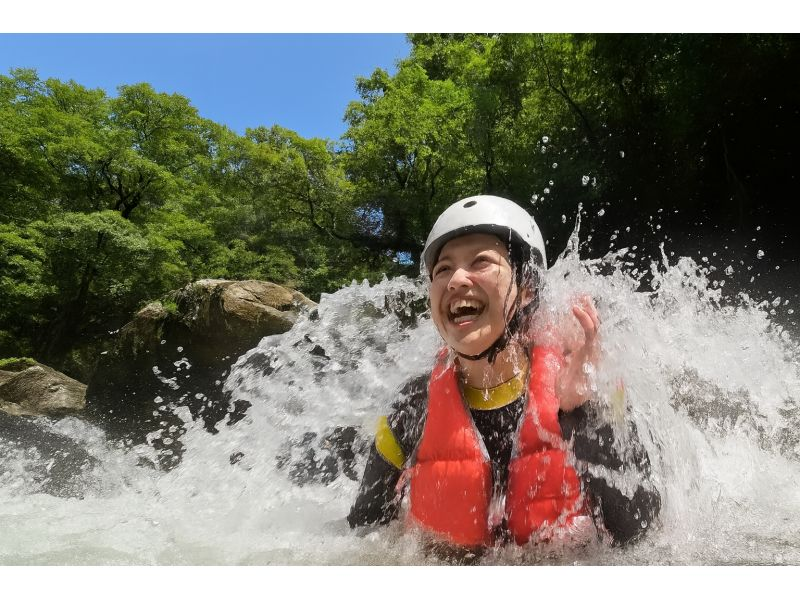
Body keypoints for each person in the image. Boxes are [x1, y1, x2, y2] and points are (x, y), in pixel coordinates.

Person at [347, 194, 660, 557]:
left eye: (480, 262)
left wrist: (584, 412)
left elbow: (640, 537)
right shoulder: (412, 406)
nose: (455, 280)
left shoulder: (584, 386)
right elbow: (363, 533)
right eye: (443, 269)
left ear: (526, 288)